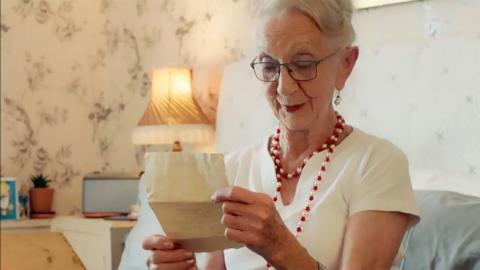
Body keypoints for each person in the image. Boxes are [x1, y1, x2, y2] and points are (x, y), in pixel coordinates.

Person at [142, 0, 420, 269]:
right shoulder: (233, 168)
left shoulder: (376, 163)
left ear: (345, 63)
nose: (284, 88)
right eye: (270, 66)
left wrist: (279, 247)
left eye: (303, 64)